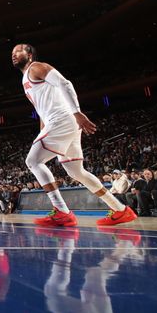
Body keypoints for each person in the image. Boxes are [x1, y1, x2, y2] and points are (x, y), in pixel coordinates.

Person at [12, 44, 136, 227]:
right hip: (61, 121)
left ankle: (62, 211)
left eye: (18, 51)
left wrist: (77, 112)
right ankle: (120, 209)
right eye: (12, 53)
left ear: (29, 55)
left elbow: (65, 83)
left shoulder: (36, 67)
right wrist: (43, 131)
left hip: (63, 119)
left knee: (33, 161)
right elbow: (42, 111)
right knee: (76, 171)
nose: (14, 55)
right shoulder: (25, 78)